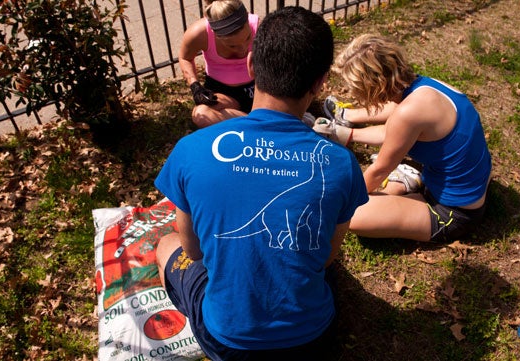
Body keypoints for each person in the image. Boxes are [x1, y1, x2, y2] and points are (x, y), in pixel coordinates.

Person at [154, 7, 368, 360]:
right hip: (313, 339)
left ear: (251, 65)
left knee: (166, 245)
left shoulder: (191, 149)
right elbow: (328, 256)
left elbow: (193, 252)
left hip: (226, 341)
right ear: (319, 83)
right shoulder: (341, 163)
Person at [315, 34, 492, 242]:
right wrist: (350, 135)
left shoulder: (408, 114)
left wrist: (340, 202)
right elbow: (394, 132)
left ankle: (403, 186)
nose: (354, 95)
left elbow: (380, 169)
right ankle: (405, 183)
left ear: (373, 87)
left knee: (352, 214)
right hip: (475, 185)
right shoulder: (426, 86)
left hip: (456, 211)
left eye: (356, 89)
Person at [179, 0, 259, 128]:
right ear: (214, 33)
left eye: (248, 38)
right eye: (232, 45)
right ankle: (260, 125)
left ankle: (249, 124)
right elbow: (185, 58)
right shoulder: (199, 33)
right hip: (224, 93)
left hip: (257, 88)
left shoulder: (259, 27)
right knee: (201, 114)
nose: (243, 48)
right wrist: (195, 86)